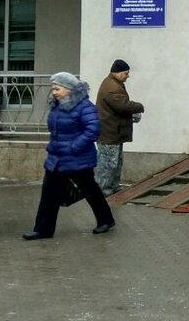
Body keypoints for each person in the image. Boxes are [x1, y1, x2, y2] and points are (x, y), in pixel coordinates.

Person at [23, 72, 117, 240]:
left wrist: (74, 146)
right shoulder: (57, 106)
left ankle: (106, 220)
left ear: (69, 89)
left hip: (78, 158)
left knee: (90, 191)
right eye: (53, 88)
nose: (54, 92)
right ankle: (43, 230)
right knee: (48, 194)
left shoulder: (84, 106)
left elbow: (93, 130)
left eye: (57, 88)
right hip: (56, 158)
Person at [95, 59, 145, 196]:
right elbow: (123, 106)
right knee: (109, 162)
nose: (128, 76)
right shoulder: (112, 87)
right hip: (110, 132)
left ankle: (113, 186)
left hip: (113, 131)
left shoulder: (113, 83)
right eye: (126, 73)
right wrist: (139, 106)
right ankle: (104, 189)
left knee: (115, 161)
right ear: (117, 72)